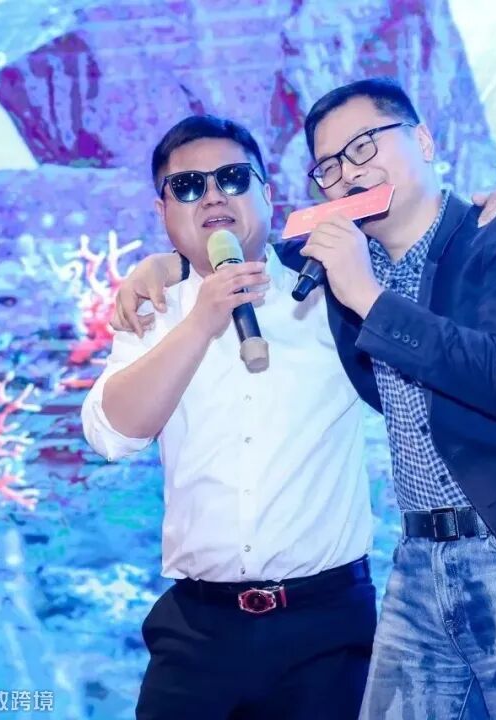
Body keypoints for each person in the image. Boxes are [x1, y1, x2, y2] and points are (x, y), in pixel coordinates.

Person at [114, 77, 496, 718]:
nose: (348, 174)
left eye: (365, 146)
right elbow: (240, 250)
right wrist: (165, 266)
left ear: (423, 140)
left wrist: (366, 295)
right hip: (418, 564)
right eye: (329, 166)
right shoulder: (339, 264)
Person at [81, 115, 378, 720]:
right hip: (198, 629)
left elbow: (413, 222)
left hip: (326, 628)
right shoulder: (154, 307)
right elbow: (112, 435)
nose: (213, 196)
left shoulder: (334, 290)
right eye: (188, 186)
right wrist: (201, 320)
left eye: (233, 178)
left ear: (267, 194)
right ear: (164, 210)